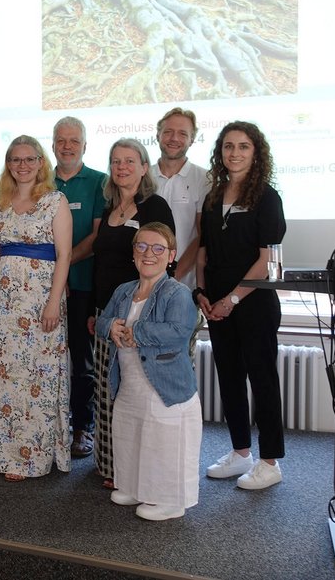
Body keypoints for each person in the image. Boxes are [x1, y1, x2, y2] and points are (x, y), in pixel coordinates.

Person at [195, 121, 287, 490]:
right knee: (229, 378)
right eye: (229, 146)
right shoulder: (214, 196)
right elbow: (203, 253)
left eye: (243, 146)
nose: (234, 153)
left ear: (256, 152)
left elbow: (268, 258)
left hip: (252, 303)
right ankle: (240, 452)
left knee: (262, 379)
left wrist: (232, 299)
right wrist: (201, 294)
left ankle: (269, 462)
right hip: (215, 304)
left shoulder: (267, 197)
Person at [96, 222, 201, 521]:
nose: (148, 254)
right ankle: (133, 487)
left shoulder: (177, 293)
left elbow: (179, 332)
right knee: (128, 434)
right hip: (129, 384)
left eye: (158, 248)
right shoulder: (124, 290)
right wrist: (112, 327)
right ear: (133, 253)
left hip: (163, 386)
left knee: (163, 441)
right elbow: (103, 321)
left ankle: (170, 501)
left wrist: (135, 332)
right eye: (141, 246)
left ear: (171, 255)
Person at [0, 135, 72, 482]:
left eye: (29, 159)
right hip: (6, 306)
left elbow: (64, 255)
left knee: (40, 374)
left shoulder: (55, 201)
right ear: (8, 165)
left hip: (42, 304)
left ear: (40, 163)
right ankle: (8, 454)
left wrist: (53, 302)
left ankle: (36, 456)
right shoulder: (1, 203)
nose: (22, 166)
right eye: (15, 160)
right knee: (8, 376)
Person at [90, 138, 175, 489]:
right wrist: (96, 313)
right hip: (107, 314)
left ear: (144, 167)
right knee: (107, 390)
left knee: (137, 392)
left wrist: (147, 310)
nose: (121, 167)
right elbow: (102, 263)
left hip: (141, 313)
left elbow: (166, 256)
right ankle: (111, 465)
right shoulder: (110, 207)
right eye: (115, 161)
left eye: (129, 161)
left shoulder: (154, 205)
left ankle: (138, 467)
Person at [51, 116, 106, 458]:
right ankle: (51, 424)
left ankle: (82, 428)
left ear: (85, 145)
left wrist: (63, 266)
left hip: (84, 285)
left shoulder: (101, 183)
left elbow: (99, 236)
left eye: (74, 140)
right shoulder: (42, 182)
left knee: (82, 361)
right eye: (61, 140)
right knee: (50, 358)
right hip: (45, 292)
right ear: (53, 144)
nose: (67, 146)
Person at [153, 108, 209, 290]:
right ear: (157, 135)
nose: (174, 138)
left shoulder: (205, 179)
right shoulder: (143, 177)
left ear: (192, 139)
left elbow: (203, 235)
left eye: (182, 134)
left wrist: (173, 278)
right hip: (144, 283)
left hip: (185, 286)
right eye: (168, 132)